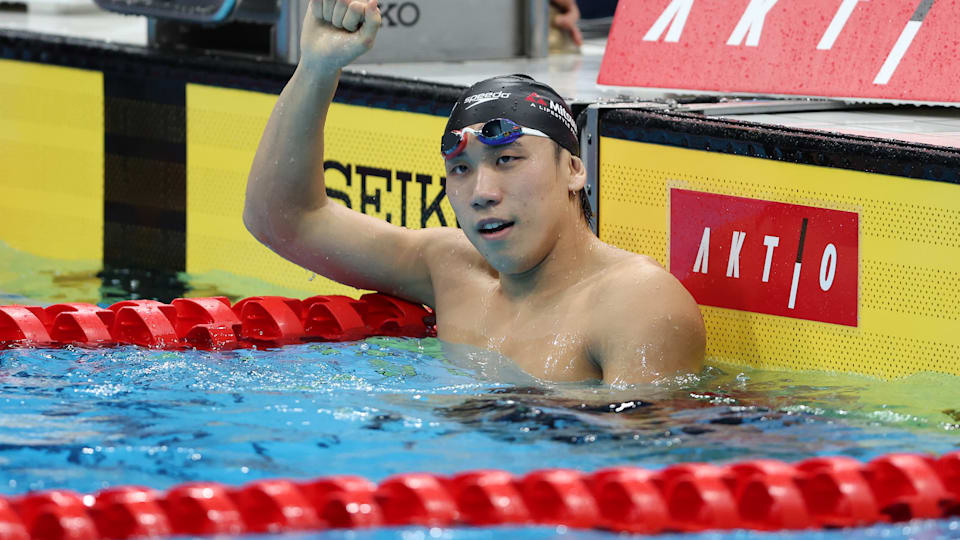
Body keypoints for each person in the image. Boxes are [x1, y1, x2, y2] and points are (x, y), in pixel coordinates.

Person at [244, 0, 705, 385]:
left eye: (507, 160)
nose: (482, 192)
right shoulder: (452, 268)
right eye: (461, 169)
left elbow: (632, 471)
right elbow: (284, 219)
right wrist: (318, 67)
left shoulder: (636, 303)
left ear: (574, 169)